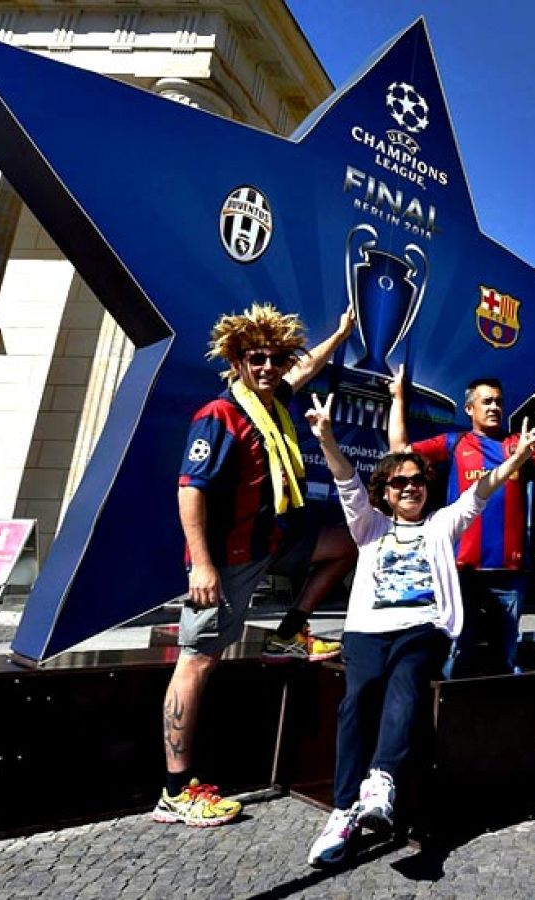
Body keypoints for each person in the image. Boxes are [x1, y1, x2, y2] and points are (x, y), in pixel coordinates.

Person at [302, 392, 535, 866]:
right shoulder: (368, 527)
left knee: (407, 685)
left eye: (417, 480)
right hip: (367, 630)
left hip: (421, 629)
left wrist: (515, 457)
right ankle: (343, 810)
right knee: (358, 698)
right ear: (386, 493)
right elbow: (345, 479)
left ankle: (382, 781)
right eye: (399, 483)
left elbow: (482, 492)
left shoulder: (441, 526)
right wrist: (327, 437)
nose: (410, 487)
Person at [154, 303, 356, 828]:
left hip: (274, 543)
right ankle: (176, 790)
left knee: (346, 545)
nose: (268, 366)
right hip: (226, 561)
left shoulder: (272, 403)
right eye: (256, 358)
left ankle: (289, 633)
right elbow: (189, 492)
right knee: (197, 661)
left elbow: (304, 368)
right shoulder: (219, 415)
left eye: (275, 357)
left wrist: (338, 335)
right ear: (237, 361)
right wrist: (202, 565)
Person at [390, 375, 535, 673]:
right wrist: (398, 397)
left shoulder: (520, 445)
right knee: (454, 652)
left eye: (499, 401)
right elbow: (401, 449)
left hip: (509, 576)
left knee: (504, 655)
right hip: (462, 572)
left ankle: (498, 715)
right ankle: (448, 715)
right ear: (469, 408)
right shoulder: (454, 443)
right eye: (487, 401)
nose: (494, 407)